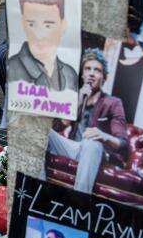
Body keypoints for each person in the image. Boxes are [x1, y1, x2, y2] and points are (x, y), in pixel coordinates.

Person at [45, 50, 128, 193]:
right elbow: (56, 127)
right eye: (88, 69)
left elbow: (123, 143)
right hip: (73, 147)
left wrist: (103, 136)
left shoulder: (113, 103)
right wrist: (77, 102)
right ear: (82, 74)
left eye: (97, 70)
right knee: (41, 132)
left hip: (96, 150)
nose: (91, 73)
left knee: (91, 143)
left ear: (104, 77)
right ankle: (35, 190)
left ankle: (78, 202)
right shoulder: (76, 97)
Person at [7, 0, 77, 92]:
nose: (39, 35)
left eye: (48, 25)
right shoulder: (12, 69)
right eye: (32, 24)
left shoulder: (70, 74)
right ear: (22, 24)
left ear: (63, 25)